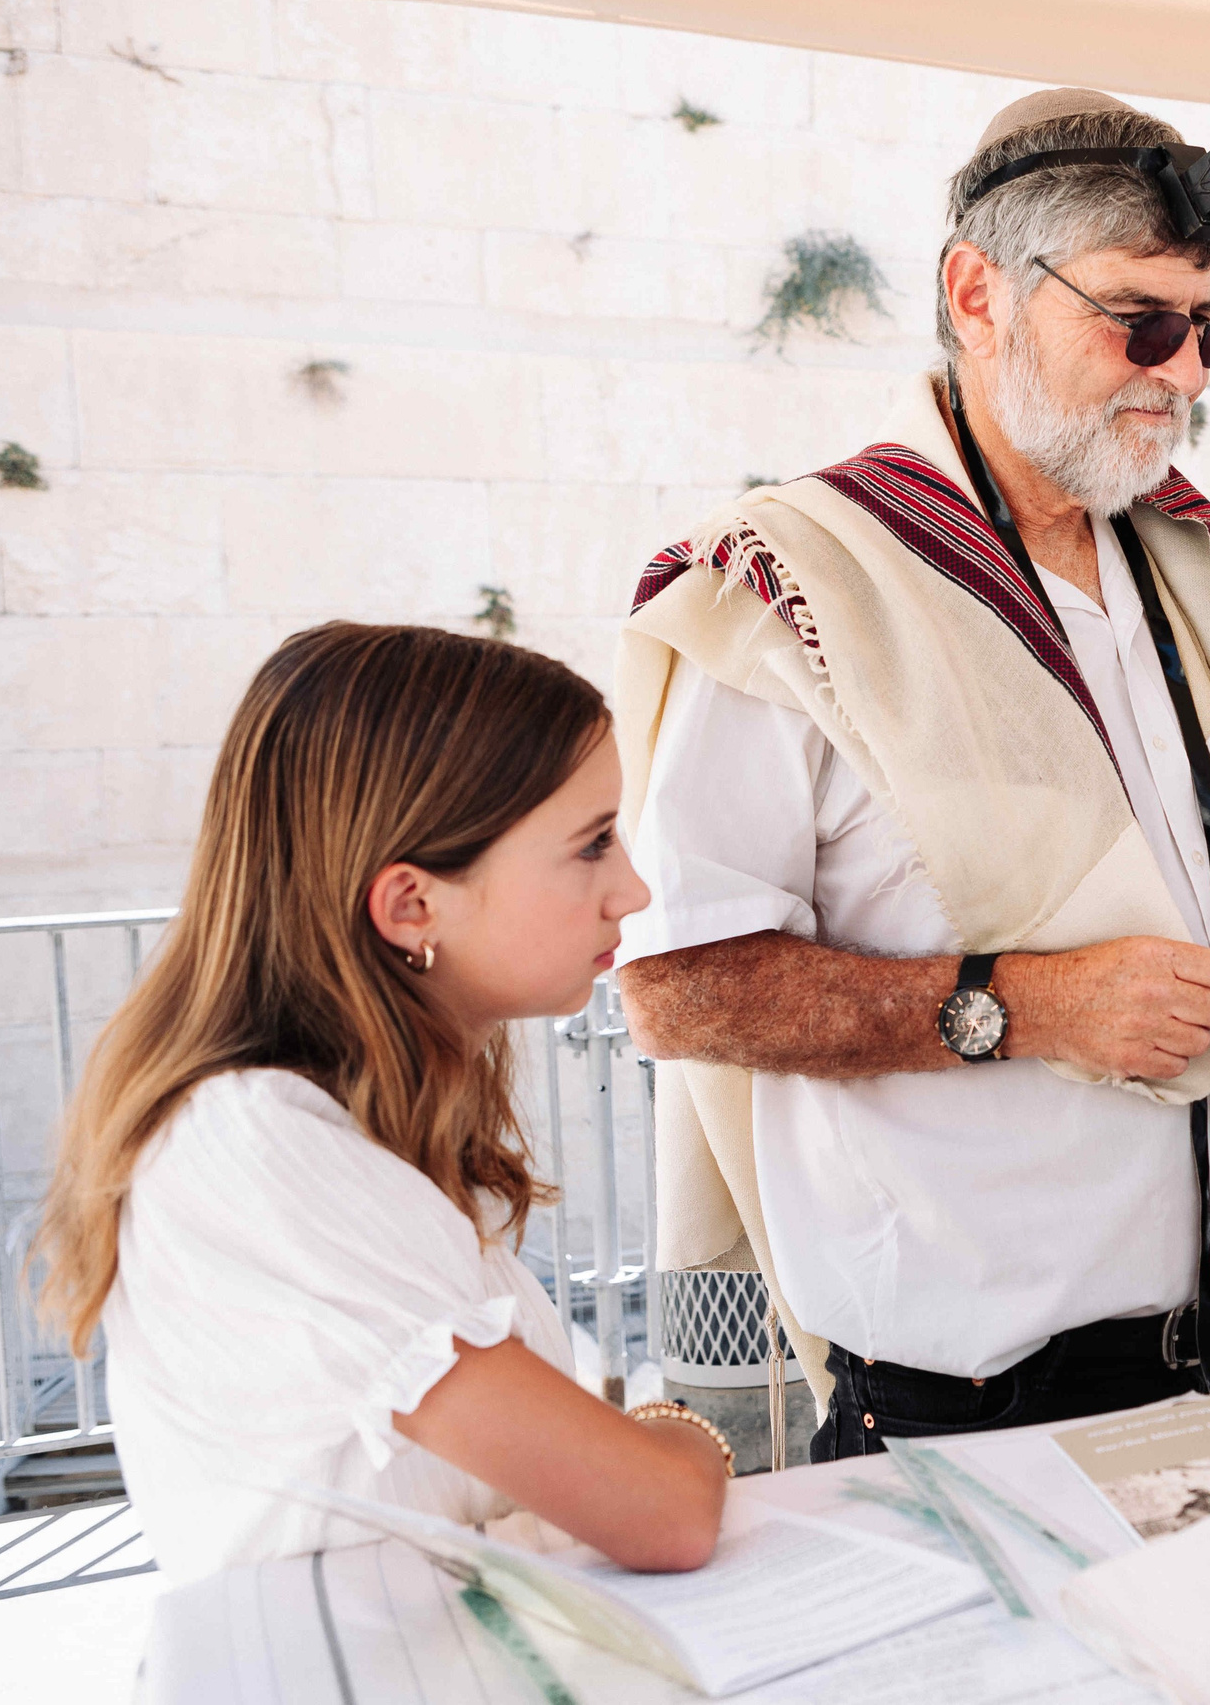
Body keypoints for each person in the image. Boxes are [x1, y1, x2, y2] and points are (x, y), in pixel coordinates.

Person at [614, 87, 1210, 1456]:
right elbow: (676, 986)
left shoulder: (1195, 560)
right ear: (979, 294)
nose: (1186, 374)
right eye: (1140, 322)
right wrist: (1021, 1007)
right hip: (979, 1420)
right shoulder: (801, 581)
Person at [35, 624, 729, 1586]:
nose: (633, 889)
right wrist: (682, 1431)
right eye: (592, 845)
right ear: (411, 906)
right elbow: (664, 1511)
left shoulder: (345, 1128)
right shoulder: (257, 1147)